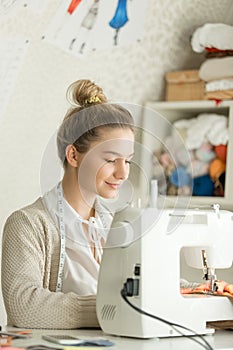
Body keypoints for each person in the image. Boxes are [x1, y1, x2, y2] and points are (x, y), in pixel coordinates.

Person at [1, 79, 135, 329]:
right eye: (111, 159)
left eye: (127, 161)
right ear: (73, 155)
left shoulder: (117, 225)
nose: (123, 173)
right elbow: (24, 307)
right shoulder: (27, 224)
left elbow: (142, 288)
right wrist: (113, 309)